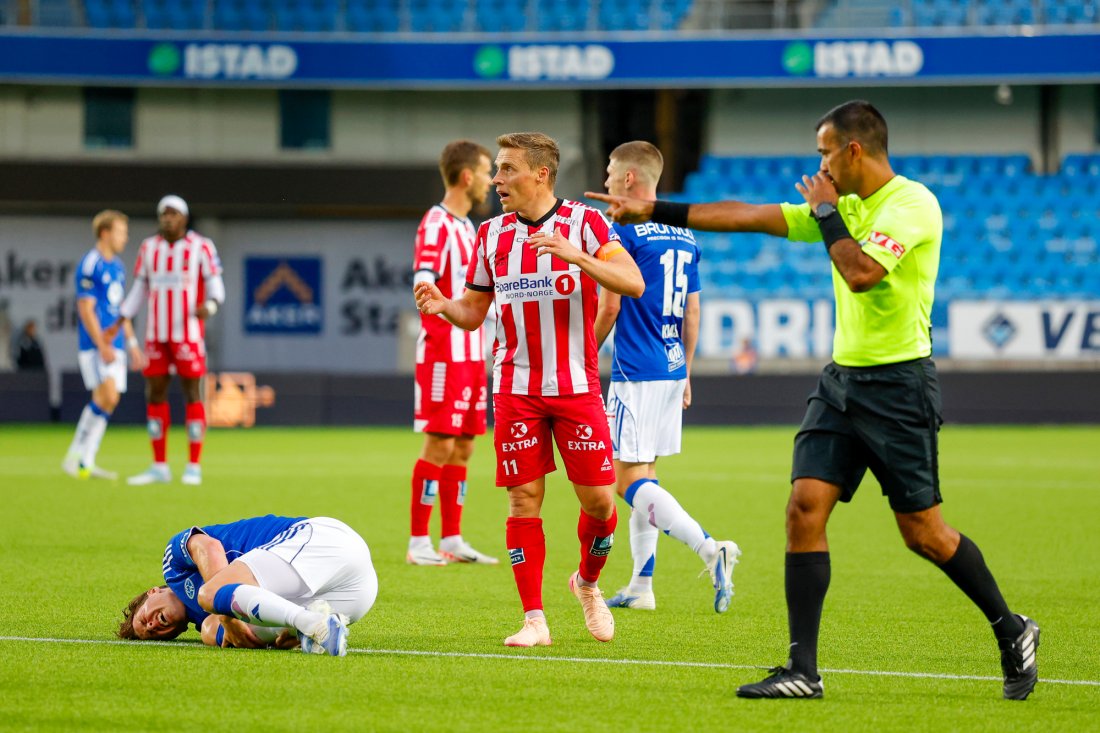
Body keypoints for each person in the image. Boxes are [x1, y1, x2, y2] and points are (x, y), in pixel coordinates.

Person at [587, 100, 1039, 701]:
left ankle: (1012, 629)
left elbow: (860, 273)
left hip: (899, 386)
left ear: (854, 149)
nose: (818, 164)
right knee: (803, 509)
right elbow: (748, 216)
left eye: (825, 151)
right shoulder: (842, 207)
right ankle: (803, 669)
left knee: (923, 533)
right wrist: (655, 208)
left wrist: (825, 209)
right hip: (842, 383)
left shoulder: (911, 204)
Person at [415, 132, 645, 647]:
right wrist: (442, 304)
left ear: (541, 173)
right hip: (515, 388)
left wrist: (576, 255)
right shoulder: (491, 235)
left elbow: (632, 284)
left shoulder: (586, 224)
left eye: (506, 169)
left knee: (601, 505)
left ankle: (587, 584)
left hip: (576, 387)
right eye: (495, 170)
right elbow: (473, 313)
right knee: (523, 500)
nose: (496, 180)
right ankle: (534, 619)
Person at [593, 141, 741, 614]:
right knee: (647, 473)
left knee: (625, 480)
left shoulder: (626, 230)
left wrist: (584, 353)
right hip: (672, 365)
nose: (607, 181)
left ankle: (708, 547)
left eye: (612, 173)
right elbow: (693, 310)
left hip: (636, 369)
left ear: (631, 178)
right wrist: (688, 370)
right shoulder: (685, 235)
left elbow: (612, 302)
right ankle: (641, 586)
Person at [408, 140, 498, 566]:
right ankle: (417, 543)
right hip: (444, 352)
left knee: (464, 446)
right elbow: (423, 274)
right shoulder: (437, 223)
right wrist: (426, 291)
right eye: (485, 172)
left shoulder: (468, 228)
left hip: (471, 354)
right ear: (466, 177)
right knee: (439, 444)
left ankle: (453, 537)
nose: (490, 180)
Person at [117, 514, 377, 657]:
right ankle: (311, 628)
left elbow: (208, 546)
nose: (152, 626)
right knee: (212, 631)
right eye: (152, 633)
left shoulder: (172, 565)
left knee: (210, 595)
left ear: (153, 591)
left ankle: (310, 625)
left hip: (320, 540)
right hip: (354, 594)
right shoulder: (205, 623)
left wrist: (225, 613)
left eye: (143, 620)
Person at [114, 195, 225, 487]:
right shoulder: (149, 248)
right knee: (155, 393)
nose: (167, 218)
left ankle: (193, 465)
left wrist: (209, 308)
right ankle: (159, 465)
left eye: (173, 214)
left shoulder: (202, 246)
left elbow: (217, 289)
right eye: (163, 213)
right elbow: (139, 289)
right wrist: (121, 316)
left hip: (187, 334)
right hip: (156, 334)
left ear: (185, 218)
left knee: (192, 393)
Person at [62, 210, 147, 480]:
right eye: (121, 231)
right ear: (105, 233)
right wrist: (101, 345)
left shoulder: (118, 267)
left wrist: (132, 344)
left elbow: (122, 310)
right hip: (96, 344)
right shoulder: (91, 264)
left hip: (117, 344)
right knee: (106, 396)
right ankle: (75, 456)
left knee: (110, 400)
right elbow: (86, 309)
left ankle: (85, 460)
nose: (125, 237)